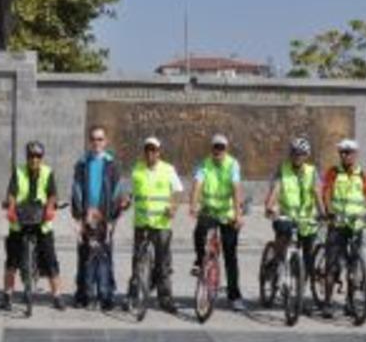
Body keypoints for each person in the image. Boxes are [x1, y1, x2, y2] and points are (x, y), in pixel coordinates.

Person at [0, 141, 65, 311]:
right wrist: (11, 208)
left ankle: (57, 295)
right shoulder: (18, 172)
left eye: (38, 156)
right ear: (27, 157)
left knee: (51, 260)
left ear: (42, 158)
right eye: (31, 156)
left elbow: (52, 195)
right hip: (20, 219)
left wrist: (50, 208)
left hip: (41, 219)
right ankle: (7, 294)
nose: (34, 159)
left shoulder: (47, 172)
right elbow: (12, 193)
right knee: (12, 261)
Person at [320, 138, 366, 318]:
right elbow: (326, 193)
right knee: (332, 265)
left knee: (354, 266)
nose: (345, 155)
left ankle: (350, 302)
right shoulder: (333, 172)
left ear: (355, 154)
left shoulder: (362, 175)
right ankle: (328, 302)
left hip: (355, 225)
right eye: (342, 152)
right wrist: (329, 211)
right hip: (337, 224)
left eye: (349, 152)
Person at [71, 124, 126, 310]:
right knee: (84, 256)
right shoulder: (82, 164)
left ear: (106, 141)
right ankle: (84, 295)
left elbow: (118, 192)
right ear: (89, 141)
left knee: (104, 257)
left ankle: (106, 295)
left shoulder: (112, 165)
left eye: (100, 139)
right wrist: (78, 218)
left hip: (105, 219)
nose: (97, 143)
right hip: (86, 216)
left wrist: (112, 219)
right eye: (94, 139)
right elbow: (76, 191)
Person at [190, 133, 246, 311]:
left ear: (226, 149)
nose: (218, 151)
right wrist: (193, 204)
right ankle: (200, 260)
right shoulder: (204, 164)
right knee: (199, 230)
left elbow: (236, 188)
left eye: (221, 147)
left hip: (227, 213)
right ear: (211, 148)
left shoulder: (232, 164)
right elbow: (197, 184)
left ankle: (234, 296)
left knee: (230, 255)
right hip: (209, 210)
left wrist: (238, 214)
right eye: (215, 147)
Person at [127, 137, 183, 314]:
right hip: (142, 223)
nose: (151, 153)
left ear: (159, 152)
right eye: (148, 150)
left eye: (154, 150)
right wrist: (125, 200)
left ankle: (165, 298)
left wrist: (173, 207)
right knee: (137, 261)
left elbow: (177, 191)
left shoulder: (168, 169)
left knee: (163, 264)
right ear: (144, 152)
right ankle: (133, 295)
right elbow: (130, 192)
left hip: (161, 224)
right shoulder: (137, 169)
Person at [264, 138, 324, 282]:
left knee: (308, 255)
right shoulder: (283, 169)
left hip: (306, 219)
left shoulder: (312, 171)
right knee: (283, 238)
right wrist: (270, 207)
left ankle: (300, 291)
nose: (297, 156)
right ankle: (275, 262)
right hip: (287, 216)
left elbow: (317, 193)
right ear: (290, 154)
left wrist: (323, 213)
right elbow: (276, 190)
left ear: (306, 155)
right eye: (295, 153)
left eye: (301, 153)